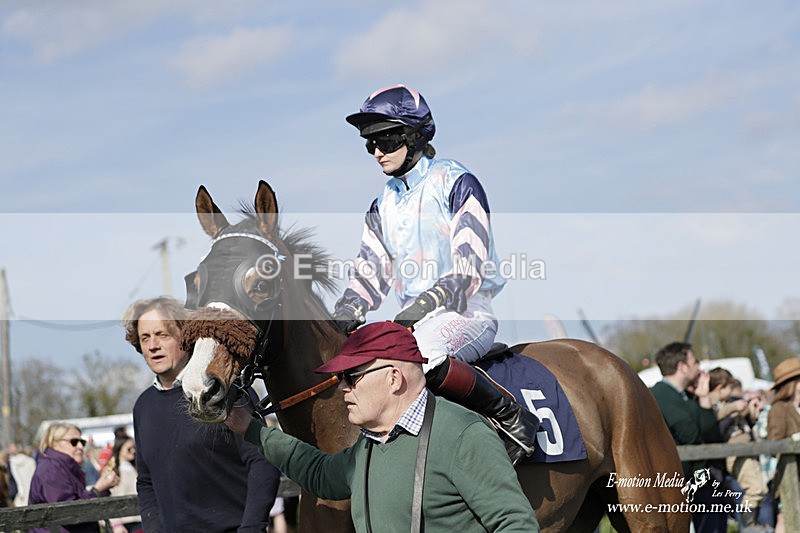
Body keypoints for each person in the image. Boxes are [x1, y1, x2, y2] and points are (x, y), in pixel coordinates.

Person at [332, 84, 538, 463]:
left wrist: (427, 302)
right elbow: (370, 268)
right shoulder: (382, 203)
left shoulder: (457, 182)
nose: (377, 151)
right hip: (413, 319)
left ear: (413, 136)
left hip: (466, 310)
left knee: (423, 356)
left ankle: (511, 417)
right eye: (369, 143)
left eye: (386, 139)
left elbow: (470, 265)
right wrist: (346, 309)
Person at [225, 321, 539, 533]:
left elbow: (516, 526)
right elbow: (319, 474)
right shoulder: (372, 444)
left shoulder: (463, 434)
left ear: (393, 378)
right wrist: (251, 429)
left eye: (352, 376)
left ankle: (508, 415)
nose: (344, 388)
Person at [123, 296, 281, 532]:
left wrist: (252, 527)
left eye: (163, 335)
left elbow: (262, 461)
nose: (153, 345)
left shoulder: (225, 390)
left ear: (186, 338)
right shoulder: (143, 406)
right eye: (145, 337)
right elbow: (146, 481)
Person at [649, 342, 726, 533]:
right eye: (695, 362)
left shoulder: (685, 396)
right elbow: (690, 435)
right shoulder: (660, 395)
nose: (699, 368)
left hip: (697, 479)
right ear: (682, 367)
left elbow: (710, 435)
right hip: (675, 482)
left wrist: (703, 398)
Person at [28, 422, 120, 533]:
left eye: (82, 442)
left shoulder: (66, 467)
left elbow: (80, 501)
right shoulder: (50, 470)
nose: (80, 446)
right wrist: (97, 489)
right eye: (74, 442)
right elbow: (68, 513)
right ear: (54, 443)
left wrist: (104, 488)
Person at [766, 357, 800, 533]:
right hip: (789, 475)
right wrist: (795, 439)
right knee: (785, 519)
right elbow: (773, 443)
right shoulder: (779, 408)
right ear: (794, 383)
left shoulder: (797, 407)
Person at [108, 435, 142, 533]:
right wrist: (116, 524)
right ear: (119, 449)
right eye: (129, 449)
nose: (133, 451)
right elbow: (110, 499)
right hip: (124, 523)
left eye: (134, 448)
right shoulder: (112, 472)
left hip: (140, 519)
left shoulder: (137, 469)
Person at [7, 443, 36, 507]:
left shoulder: (12, 462)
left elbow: (15, 478)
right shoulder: (31, 461)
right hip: (31, 493)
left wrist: (20, 492)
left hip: (20, 495)